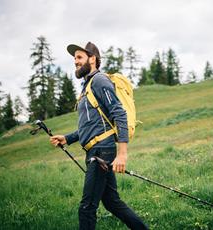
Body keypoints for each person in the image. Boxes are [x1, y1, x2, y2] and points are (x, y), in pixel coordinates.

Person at [50, 42, 148, 230]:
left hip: (102, 151)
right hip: (96, 149)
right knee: (112, 202)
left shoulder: (100, 80)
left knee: (87, 208)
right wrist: (68, 138)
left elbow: (119, 113)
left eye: (79, 57)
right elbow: (92, 126)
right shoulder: (87, 87)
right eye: (74, 59)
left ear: (92, 59)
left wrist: (122, 153)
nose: (75, 62)